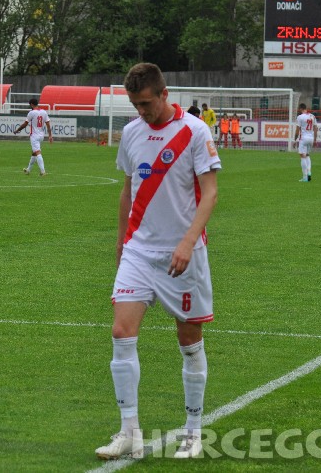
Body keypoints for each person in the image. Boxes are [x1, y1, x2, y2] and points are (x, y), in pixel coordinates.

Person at [95, 62, 220, 461]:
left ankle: (193, 432)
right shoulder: (131, 133)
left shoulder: (195, 131)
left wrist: (187, 241)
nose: (141, 112)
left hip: (182, 254)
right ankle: (129, 430)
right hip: (138, 251)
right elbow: (128, 189)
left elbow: (211, 192)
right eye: (135, 105)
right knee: (120, 332)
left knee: (188, 340)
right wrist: (120, 241)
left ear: (164, 95)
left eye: (146, 103)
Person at [15, 98, 52, 176]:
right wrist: (50, 135)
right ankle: (28, 170)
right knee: (34, 153)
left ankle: (43, 171)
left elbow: (25, 124)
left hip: (34, 136)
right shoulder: (44, 112)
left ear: (31, 104)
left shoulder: (31, 113)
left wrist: (18, 130)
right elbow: (48, 124)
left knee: (37, 152)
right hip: (41, 135)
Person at [293, 103, 317, 182]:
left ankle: (305, 177)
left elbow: (297, 130)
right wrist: (315, 140)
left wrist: (294, 140)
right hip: (311, 138)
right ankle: (309, 172)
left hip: (303, 138)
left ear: (301, 109)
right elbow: (316, 128)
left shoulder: (300, 117)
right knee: (307, 155)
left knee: (302, 156)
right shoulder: (312, 116)